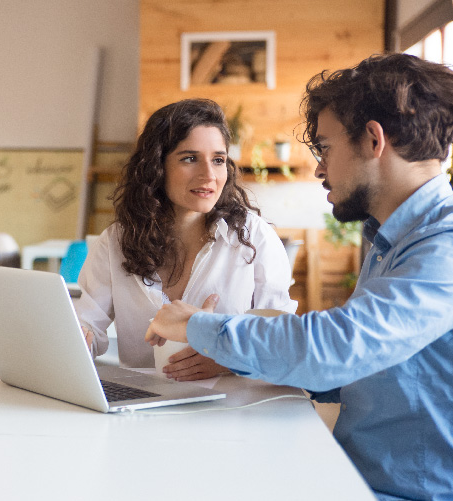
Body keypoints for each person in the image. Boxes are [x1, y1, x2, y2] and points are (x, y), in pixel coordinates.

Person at [145, 54, 453, 500]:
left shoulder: (443, 245)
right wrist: (236, 356)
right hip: (353, 474)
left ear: (372, 140)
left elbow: (338, 347)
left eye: (325, 147)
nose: (319, 168)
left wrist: (196, 325)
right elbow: (365, 370)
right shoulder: (394, 238)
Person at [75, 98, 297, 375]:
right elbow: (85, 325)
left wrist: (229, 359)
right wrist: (78, 338)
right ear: (156, 166)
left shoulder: (253, 237)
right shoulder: (116, 241)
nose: (209, 175)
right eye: (190, 159)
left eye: (218, 160)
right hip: (141, 409)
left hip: (234, 409)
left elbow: (283, 338)